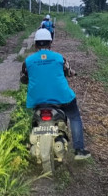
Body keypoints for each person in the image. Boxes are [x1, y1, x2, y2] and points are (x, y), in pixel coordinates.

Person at [21, 28, 91, 159]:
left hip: (38, 99)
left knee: (34, 118)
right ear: (50, 43)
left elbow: (23, 78)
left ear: (35, 44)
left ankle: (31, 144)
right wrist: (73, 73)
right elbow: (68, 71)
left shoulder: (28, 61)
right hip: (62, 98)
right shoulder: (59, 58)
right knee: (74, 117)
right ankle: (79, 150)